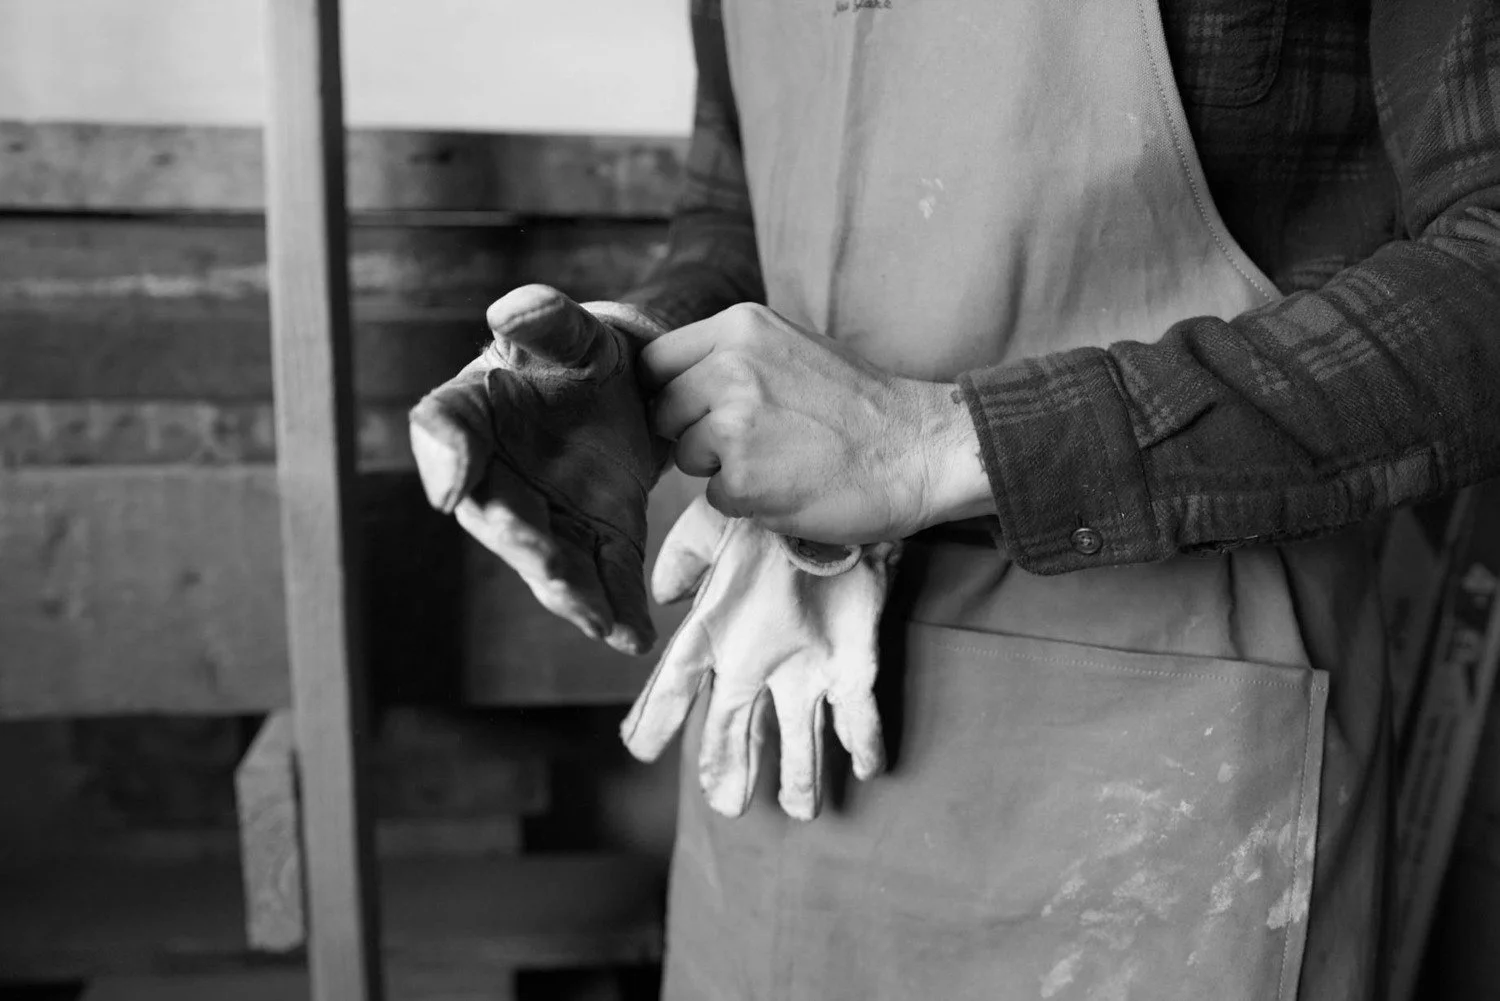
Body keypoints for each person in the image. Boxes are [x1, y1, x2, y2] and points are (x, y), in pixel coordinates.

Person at [409, 1, 1500, 998]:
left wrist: (935, 442)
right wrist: (640, 361)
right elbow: (733, 211)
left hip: (1172, 754)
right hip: (788, 706)